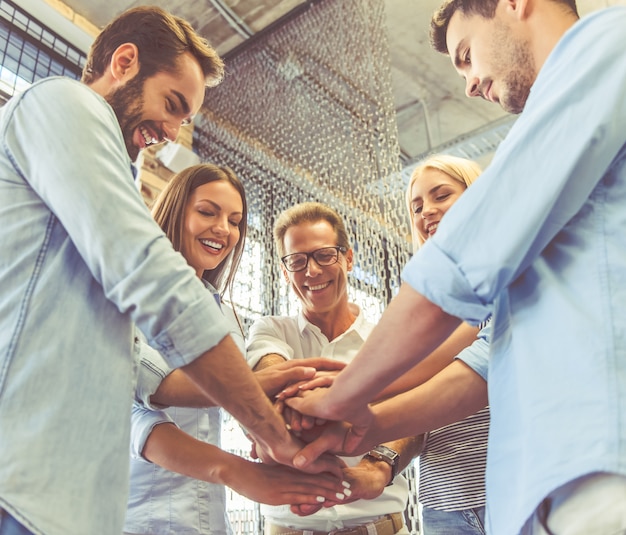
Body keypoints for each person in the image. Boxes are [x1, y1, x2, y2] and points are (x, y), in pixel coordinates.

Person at [283, 1, 626, 534]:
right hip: (545, 484)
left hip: (600, 467)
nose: (467, 85)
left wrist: (343, 394)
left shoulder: (608, 43)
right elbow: (485, 365)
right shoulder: (564, 220)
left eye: (467, 55)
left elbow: (455, 277)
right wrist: (368, 424)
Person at [0, 7, 338, 535]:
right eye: (173, 105)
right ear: (125, 61)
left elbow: (133, 370)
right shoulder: (62, 101)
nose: (173, 133)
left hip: (68, 497)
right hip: (22, 480)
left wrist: (257, 393)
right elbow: (150, 280)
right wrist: (270, 430)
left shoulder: (102, 217)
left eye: (185, 119)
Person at [124, 165, 348, 535]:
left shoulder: (223, 314)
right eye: (208, 212)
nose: (224, 230)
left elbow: (241, 407)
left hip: (207, 518)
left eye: (235, 220)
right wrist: (253, 389)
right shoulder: (129, 289)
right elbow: (137, 404)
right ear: (177, 211)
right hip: (138, 515)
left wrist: (285, 448)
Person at [246, 202, 422, 535]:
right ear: (285, 273)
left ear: (349, 258)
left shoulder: (388, 336)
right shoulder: (269, 329)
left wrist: (378, 465)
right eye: (297, 261)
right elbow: (270, 369)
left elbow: (415, 414)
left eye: (324, 255)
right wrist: (289, 398)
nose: (311, 271)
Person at [406, 155, 489, 534]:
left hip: (508, 486)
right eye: (418, 206)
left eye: (442, 195)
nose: (428, 211)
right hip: (444, 501)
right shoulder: (418, 303)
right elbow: (407, 385)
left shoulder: (504, 278)